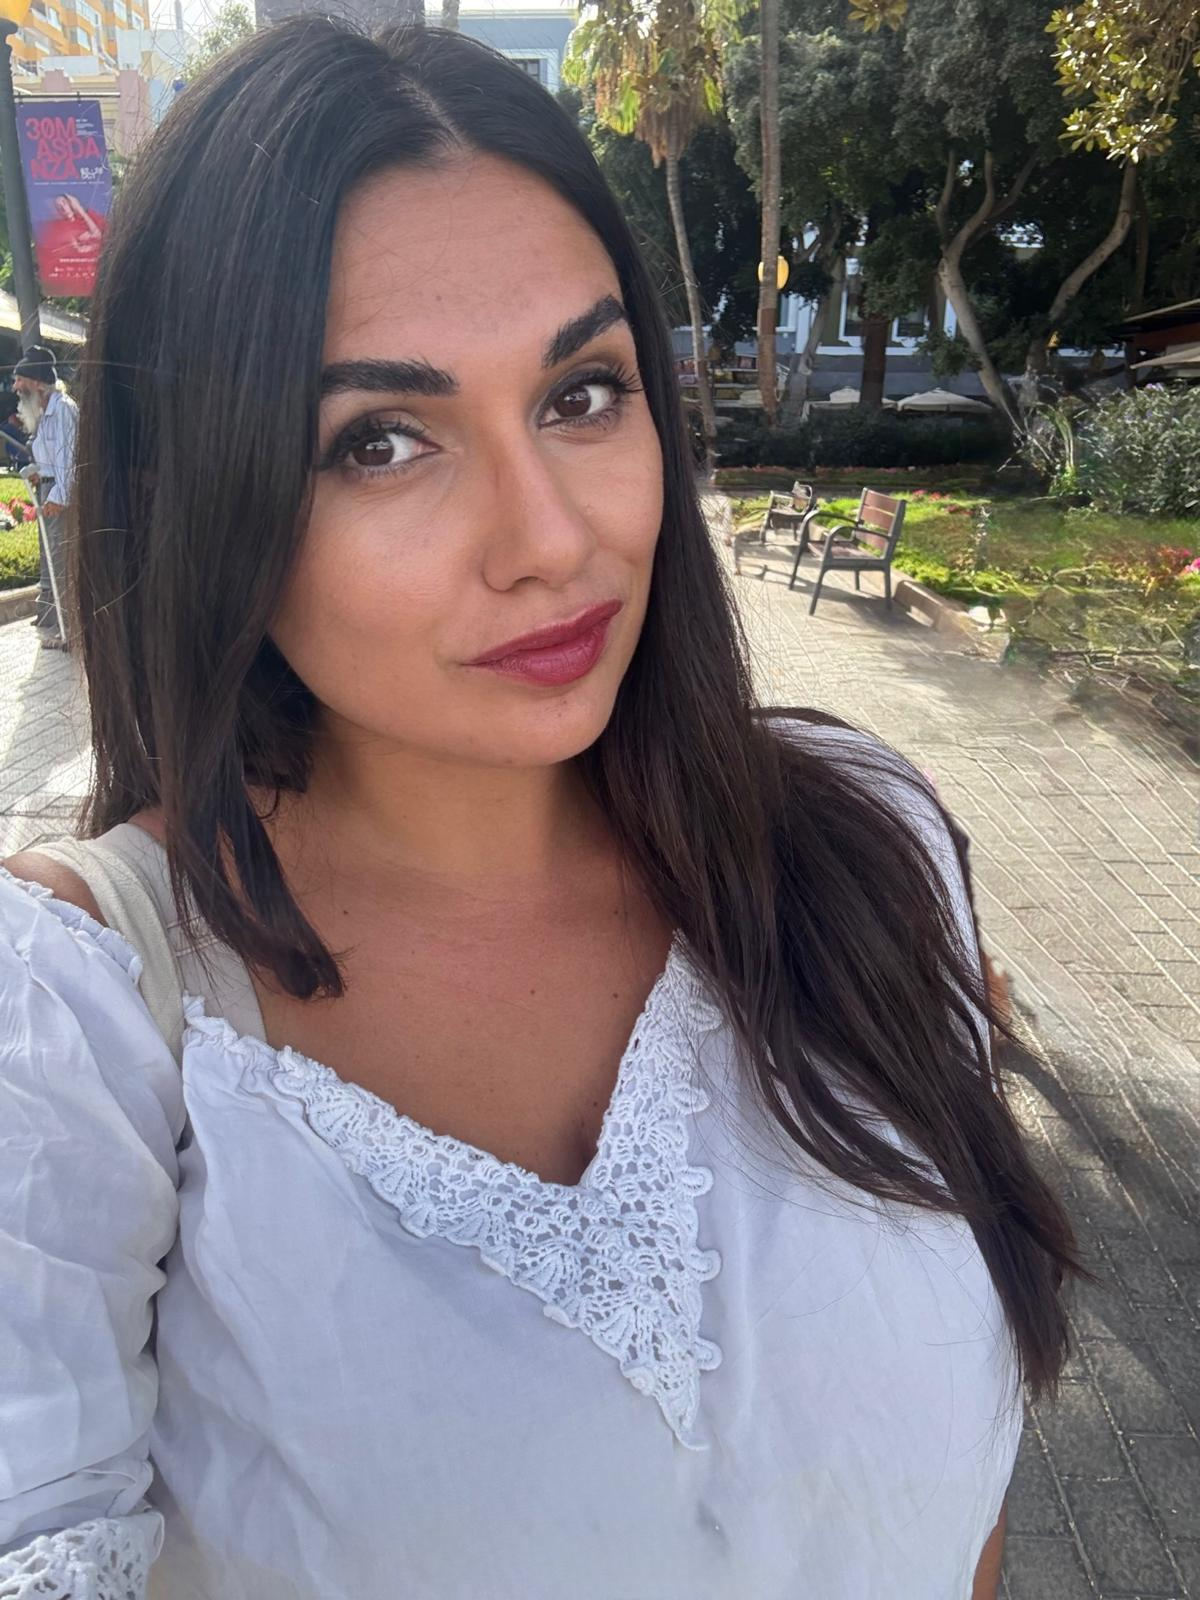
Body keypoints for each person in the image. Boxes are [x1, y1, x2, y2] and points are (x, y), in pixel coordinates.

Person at [0, 21, 1085, 1600]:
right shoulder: (76, 1030)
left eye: (582, 394)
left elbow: (956, 1497)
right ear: (202, 495)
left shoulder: (867, 839)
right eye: (381, 442)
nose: (549, 539)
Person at [13, 344, 77, 647]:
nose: (15, 387)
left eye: (20, 380)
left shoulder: (63, 409)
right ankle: (53, 620)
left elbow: (69, 458)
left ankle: (69, 632)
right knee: (50, 557)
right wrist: (39, 473)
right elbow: (51, 457)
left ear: (38, 383)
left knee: (62, 560)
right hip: (48, 488)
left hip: (60, 494)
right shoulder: (44, 410)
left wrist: (59, 496)